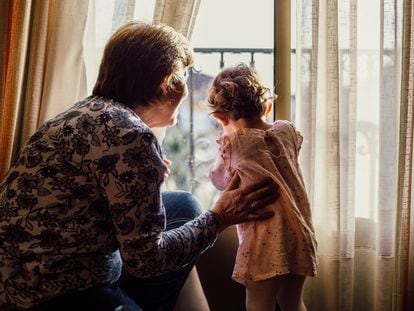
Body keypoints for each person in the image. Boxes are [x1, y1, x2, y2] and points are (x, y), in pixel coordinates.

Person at [0, 23, 280, 311]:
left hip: (16, 275)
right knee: (193, 219)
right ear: (165, 82)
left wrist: (143, 178)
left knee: (183, 205)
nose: (185, 87)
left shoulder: (83, 112)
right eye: (182, 76)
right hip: (57, 292)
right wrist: (220, 217)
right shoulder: (132, 135)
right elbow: (146, 260)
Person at [207, 64, 318, 311]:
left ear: (220, 117)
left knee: (259, 305)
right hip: (298, 232)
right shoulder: (286, 130)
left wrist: (225, 146)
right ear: (266, 107)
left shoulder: (233, 143)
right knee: (292, 302)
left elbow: (220, 180)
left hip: (264, 242)